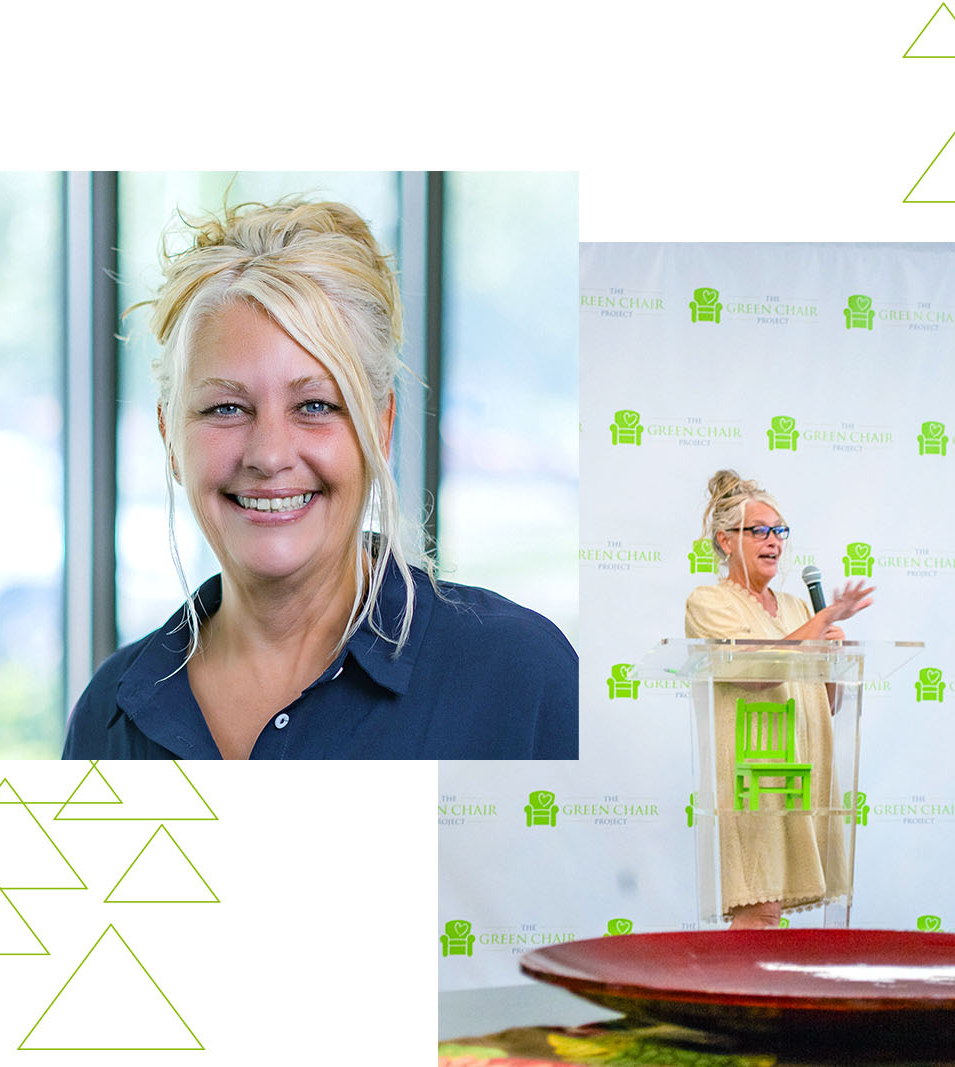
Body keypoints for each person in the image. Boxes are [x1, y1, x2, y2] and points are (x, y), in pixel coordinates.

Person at [62, 198, 577, 760]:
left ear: (381, 426)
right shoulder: (108, 714)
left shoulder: (518, 681)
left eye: (315, 405)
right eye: (226, 409)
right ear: (170, 439)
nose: (269, 455)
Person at [684, 469, 875, 928]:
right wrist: (824, 616)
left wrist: (833, 660)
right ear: (726, 540)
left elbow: (826, 703)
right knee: (759, 911)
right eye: (760, 531)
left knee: (774, 916)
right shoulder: (708, 601)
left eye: (780, 532)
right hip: (755, 773)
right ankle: (730, 998)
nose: (774, 542)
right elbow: (757, 673)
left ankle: (758, 997)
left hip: (806, 774)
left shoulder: (795, 607)